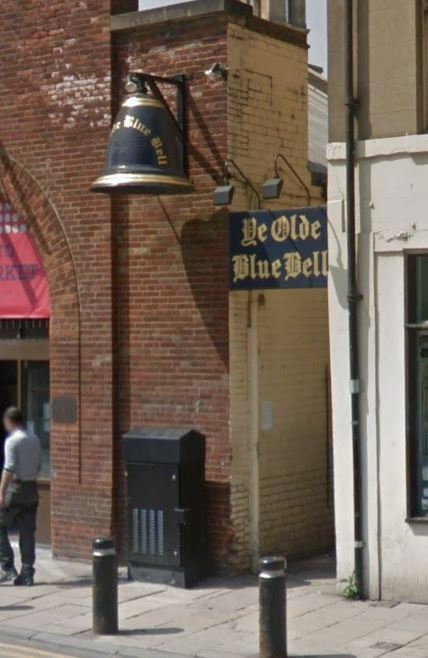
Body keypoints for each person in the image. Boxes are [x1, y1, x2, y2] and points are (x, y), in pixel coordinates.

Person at [0, 407, 41, 586]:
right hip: (32, 488)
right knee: (27, 532)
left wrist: (1, 493)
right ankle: (27, 572)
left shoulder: (12, 441)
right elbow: (39, 465)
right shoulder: (35, 438)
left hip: (16, 488)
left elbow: (8, 468)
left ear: (10, 422)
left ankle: (7, 567)